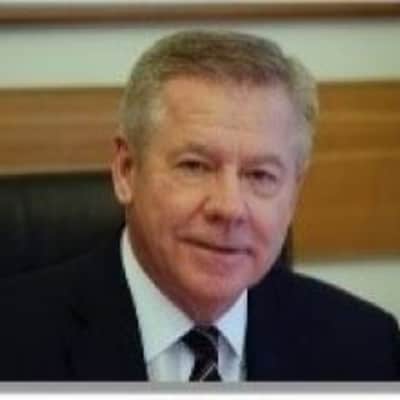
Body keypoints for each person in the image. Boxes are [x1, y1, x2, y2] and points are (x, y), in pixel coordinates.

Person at [0, 30, 399, 381]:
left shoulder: (365, 348)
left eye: (260, 175)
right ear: (126, 171)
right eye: (195, 166)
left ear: (293, 192)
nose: (230, 207)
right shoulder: (15, 338)